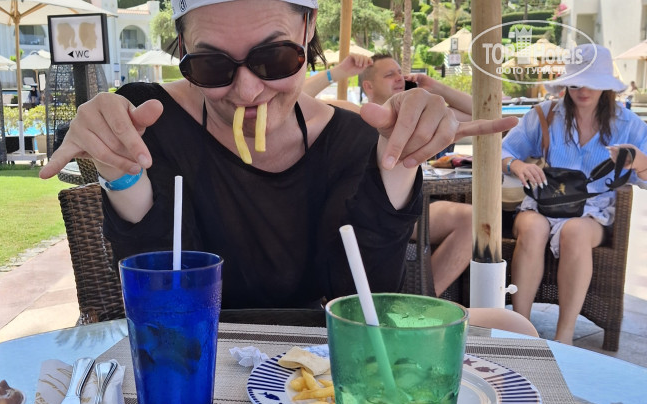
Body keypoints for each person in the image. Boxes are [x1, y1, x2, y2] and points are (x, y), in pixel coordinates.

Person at [39, 0, 514, 312]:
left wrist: (399, 161)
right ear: (182, 47)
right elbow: (160, 297)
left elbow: (363, 302)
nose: (247, 91)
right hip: (192, 363)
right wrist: (116, 166)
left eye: (274, 58)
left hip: (308, 379)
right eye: (211, 65)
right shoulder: (151, 118)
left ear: (309, 28)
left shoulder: (349, 139)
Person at [501, 44, 647, 344]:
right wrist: (515, 165)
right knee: (532, 227)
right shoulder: (545, 114)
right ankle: (520, 327)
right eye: (576, 82)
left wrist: (638, 161)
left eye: (592, 82)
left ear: (606, 85)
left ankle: (564, 336)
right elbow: (502, 150)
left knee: (575, 232)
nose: (583, 90)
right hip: (543, 202)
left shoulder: (629, 124)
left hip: (592, 211)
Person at [355, 54, 475, 298]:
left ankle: (423, 301)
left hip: (414, 208)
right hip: (367, 213)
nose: (399, 78)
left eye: (400, 72)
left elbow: (481, 113)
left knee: (472, 219)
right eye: (389, 74)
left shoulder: (423, 118)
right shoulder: (352, 116)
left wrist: (434, 87)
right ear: (368, 86)